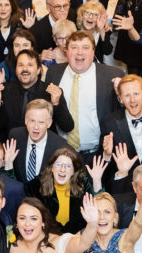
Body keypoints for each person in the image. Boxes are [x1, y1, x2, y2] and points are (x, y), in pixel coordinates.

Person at [46, 31, 125, 161]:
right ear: (66, 51)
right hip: (60, 152)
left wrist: (121, 97)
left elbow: (123, 113)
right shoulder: (54, 73)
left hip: (97, 154)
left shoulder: (112, 75)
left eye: (86, 48)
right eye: (74, 47)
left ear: (93, 51)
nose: (80, 52)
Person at [6, 99, 70, 190]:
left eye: (41, 122)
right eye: (32, 121)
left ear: (49, 123)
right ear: (25, 120)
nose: (36, 127)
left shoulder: (60, 146)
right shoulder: (15, 136)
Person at [35, 147, 101, 234]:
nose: (62, 169)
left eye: (68, 166)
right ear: (51, 167)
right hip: (47, 239)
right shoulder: (36, 186)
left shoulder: (83, 185)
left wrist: (96, 181)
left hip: (77, 239)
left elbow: (100, 204)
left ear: (73, 171)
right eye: (58, 164)